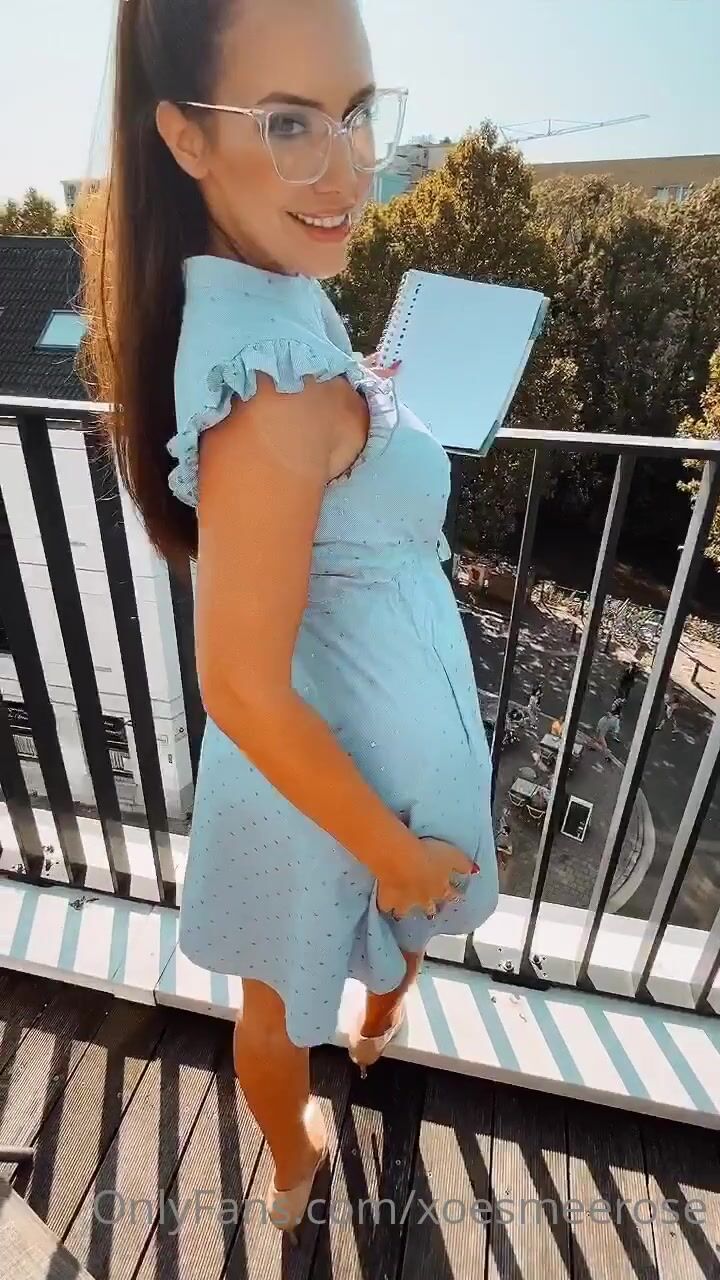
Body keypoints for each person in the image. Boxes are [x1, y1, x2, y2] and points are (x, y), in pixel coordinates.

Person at [80, 0, 499, 1238]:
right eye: (288, 123)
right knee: (283, 1005)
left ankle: (332, 1095)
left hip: (342, 757)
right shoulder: (268, 386)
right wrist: (391, 851)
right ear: (186, 138)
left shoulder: (275, 294)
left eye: (357, 115)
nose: (350, 171)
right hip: (322, 781)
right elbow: (244, 688)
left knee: (297, 984)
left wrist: (360, 409)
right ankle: (294, 1159)